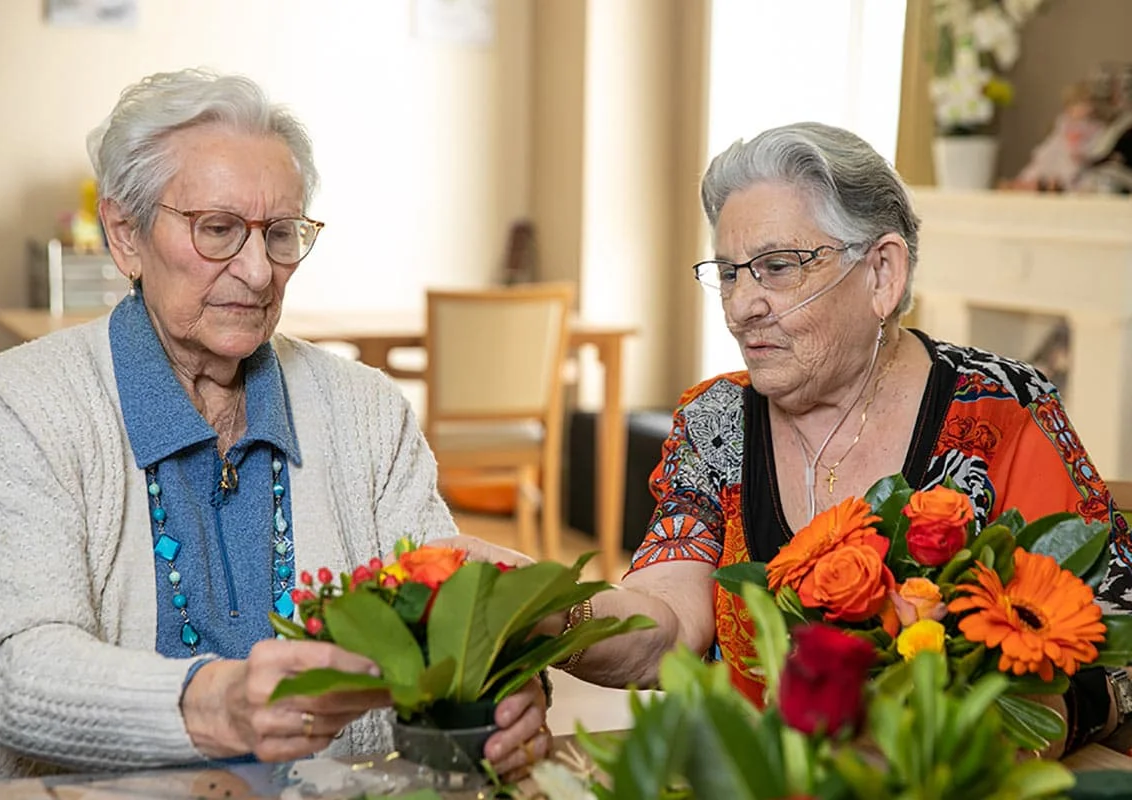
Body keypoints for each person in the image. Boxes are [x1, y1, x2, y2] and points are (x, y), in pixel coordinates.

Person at [0, 69, 546, 786]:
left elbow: (446, 613)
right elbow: (12, 664)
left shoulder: (369, 411)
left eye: (280, 234)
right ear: (125, 236)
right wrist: (213, 702)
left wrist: (501, 689)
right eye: (218, 230)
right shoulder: (23, 403)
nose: (258, 271)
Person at [469, 121, 1132, 760]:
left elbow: (1112, 647)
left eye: (776, 267)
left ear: (881, 273)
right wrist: (537, 601)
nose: (740, 306)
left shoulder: (1000, 408)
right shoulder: (715, 421)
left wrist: (964, 741)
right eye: (729, 272)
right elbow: (664, 626)